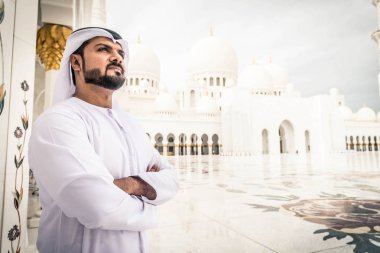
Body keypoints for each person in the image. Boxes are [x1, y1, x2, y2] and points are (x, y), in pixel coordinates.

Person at [28, 27, 179, 253]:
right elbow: (97, 206)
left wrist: (130, 184)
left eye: (120, 53)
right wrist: (150, 205)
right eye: (103, 49)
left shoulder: (132, 126)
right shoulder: (58, 122)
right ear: (76, 63)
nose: (117, 57)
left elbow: (172, 181)